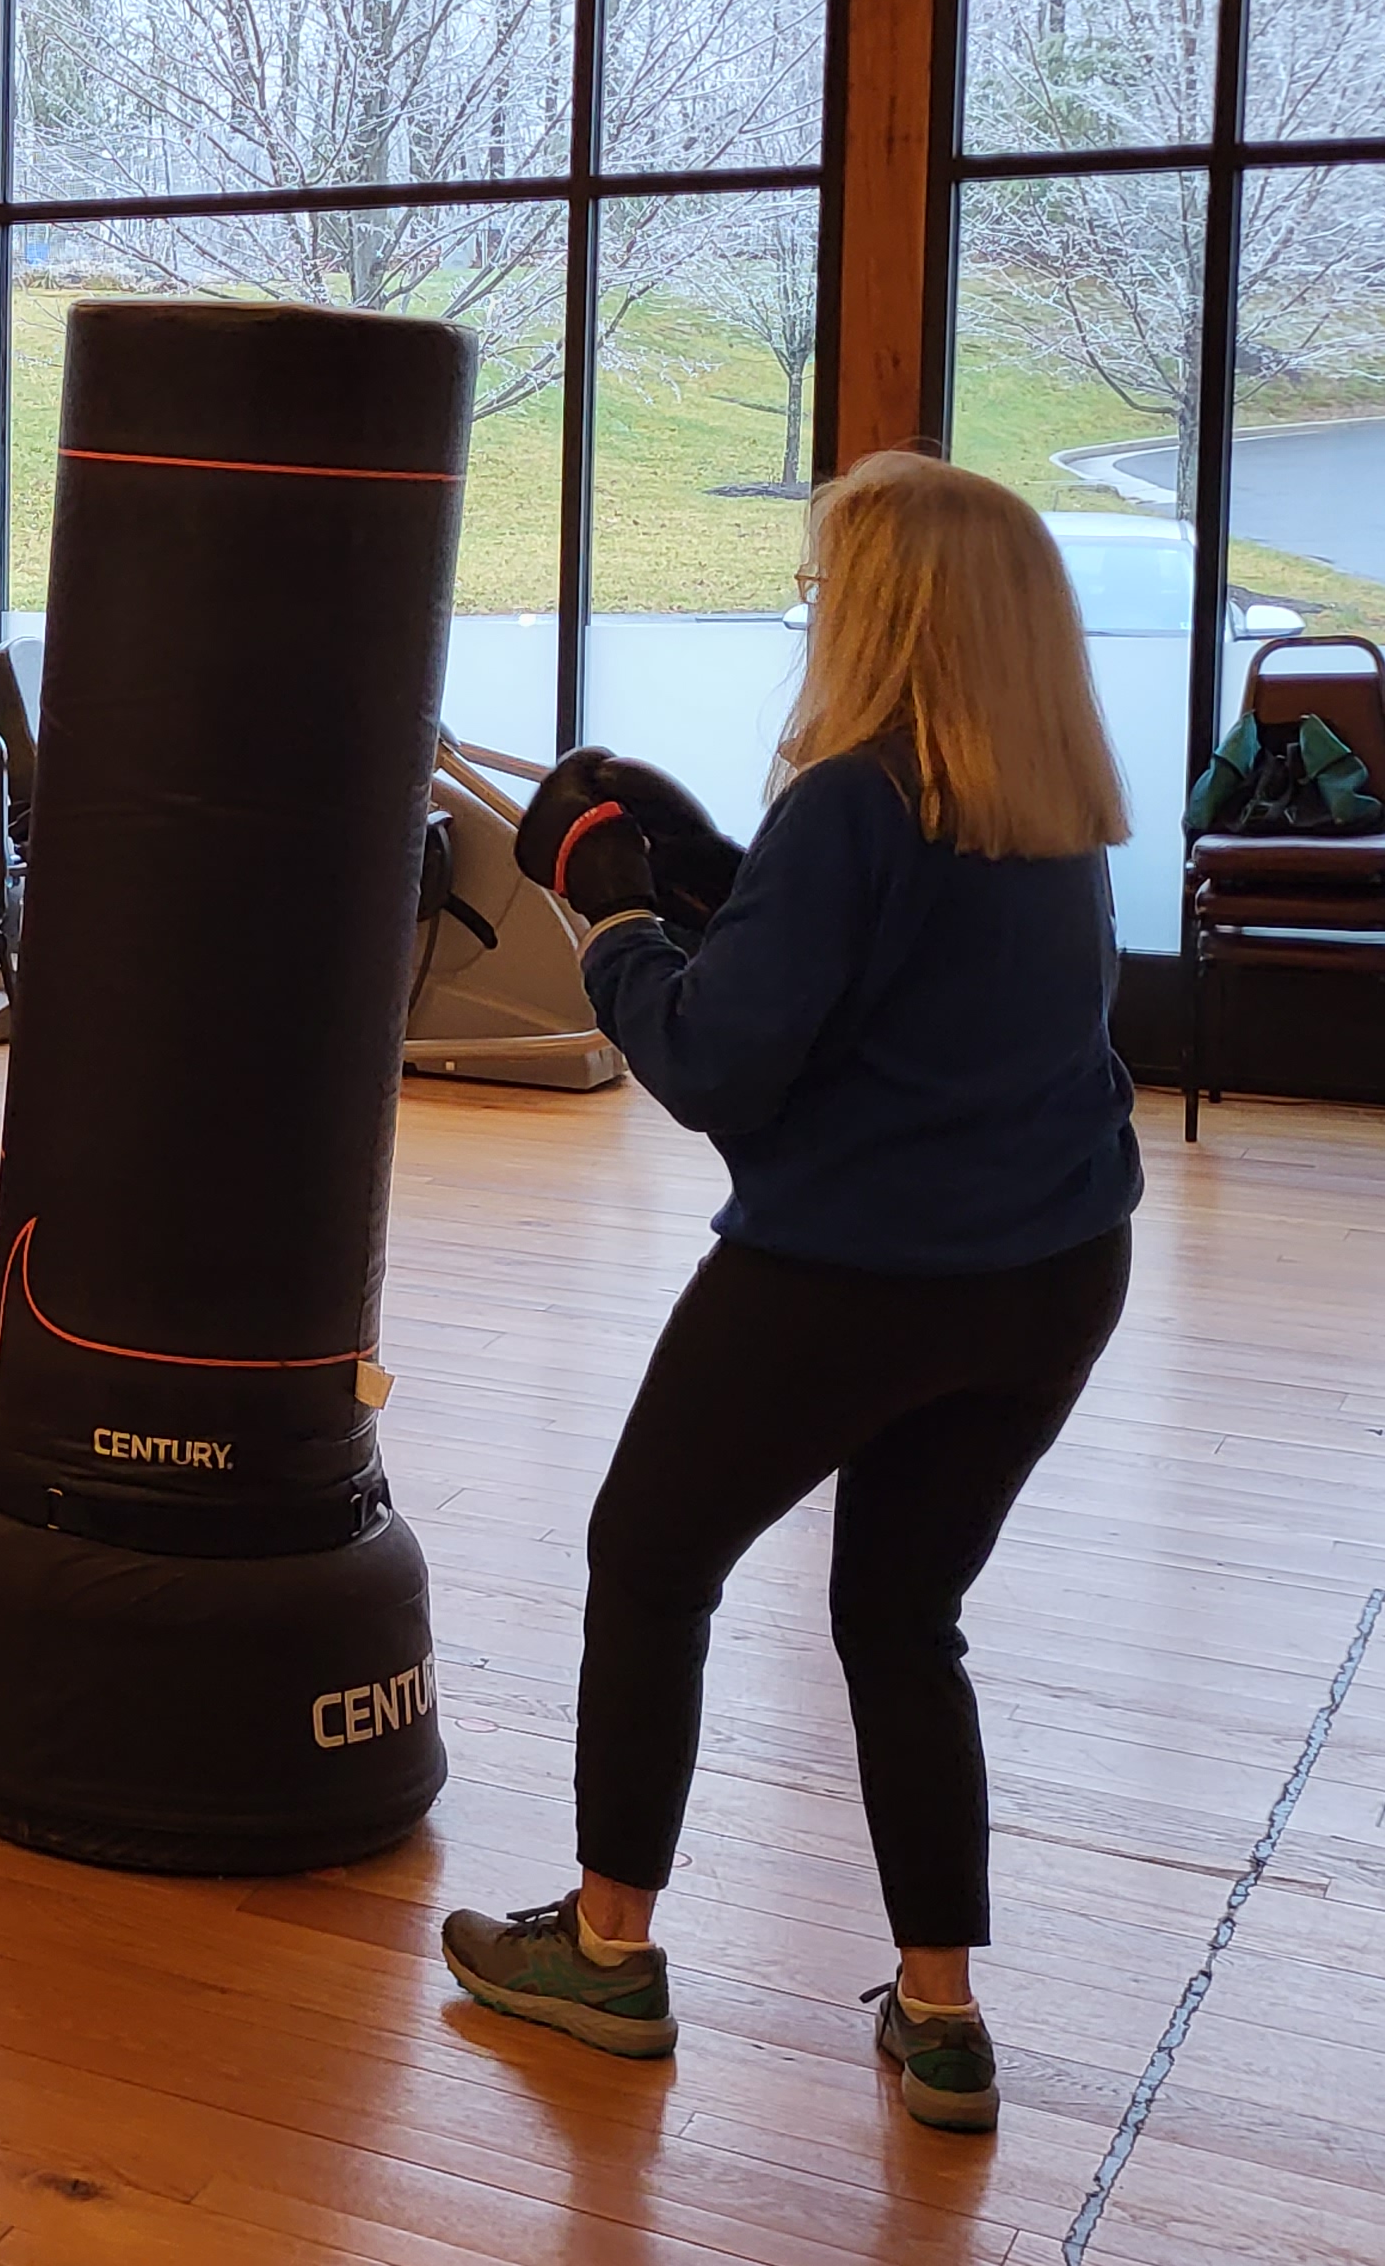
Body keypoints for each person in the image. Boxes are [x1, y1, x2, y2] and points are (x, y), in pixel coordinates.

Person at [438, 449, 1142, 2137]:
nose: (811, 616)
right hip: (1053, 1272)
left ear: (887, 612)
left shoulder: (854, 802)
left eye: (830, 589)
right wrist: (714, 872)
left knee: (651, 1557)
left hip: (858, 1275)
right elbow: (871, 968)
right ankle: (944, 2015)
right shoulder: (1047, 802)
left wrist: (609, 917)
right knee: (905, 1619)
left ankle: (607, 1957)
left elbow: (715, 1065)